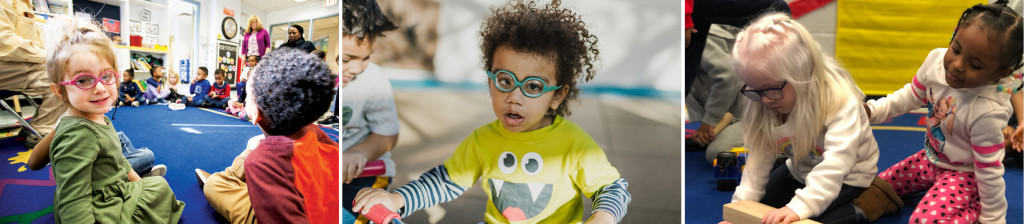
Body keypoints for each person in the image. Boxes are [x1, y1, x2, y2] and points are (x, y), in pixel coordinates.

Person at [352, 1, 631, 223]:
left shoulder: (575, 145)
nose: (514, 97)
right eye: (505, 81)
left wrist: (601, 218)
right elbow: (446, 181)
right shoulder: (482, 140)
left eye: (533, 86)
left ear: (557, 95)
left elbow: (612, 189)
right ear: (490, 82)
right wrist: (396, 200)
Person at [863, 2, 1022, 222]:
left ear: (1001, 71)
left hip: (966, 174)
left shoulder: (987, 111)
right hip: (931, 158)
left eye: (975, 65)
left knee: (923, 220)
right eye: (956, 49)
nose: (957, 65)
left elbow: (989, 169)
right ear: (954, 35)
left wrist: (993, 217)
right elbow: (911, 95)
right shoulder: (936, 61)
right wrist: (872, 111)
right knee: (879, 187)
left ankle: (973, 207)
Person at [720, 13, 880, 224]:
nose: (765, 100)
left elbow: (836, 165)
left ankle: (868, 204)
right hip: (800, 170)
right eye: (756, 90)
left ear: (802, 75)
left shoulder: (840, 102)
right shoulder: (763, 99)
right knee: (763, 211)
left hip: (849, 176)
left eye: (772, 90)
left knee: (813, 219)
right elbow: (757, 160)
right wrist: (740, 210)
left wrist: (800, 207)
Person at [42, 13, 183, 223]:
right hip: (100, 209)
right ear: (59, 91)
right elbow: (74, 203)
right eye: (83, 80)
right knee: (159, 188)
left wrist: (138, 185)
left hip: (108, 188)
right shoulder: (78, 136)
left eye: (106, 76)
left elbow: (120, 163)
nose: (100, 88)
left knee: (154, 186)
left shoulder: (95, 117)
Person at [243, 48, 339, 223]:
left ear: (256, 113)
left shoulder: (262, 162)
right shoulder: (316, 134)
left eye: (248, 95)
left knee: (216, 187)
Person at [338, 0, 399, 221]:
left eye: (365, 58)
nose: (356, 68)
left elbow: (388, 135)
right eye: (346, 59)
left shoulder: (373, 79)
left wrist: (359, 153)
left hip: (366, 176)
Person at [0, 0, 67, 148]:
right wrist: (49, 57)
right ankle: (42, 129)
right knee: (65, 76)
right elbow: (3, 41)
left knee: (66, 69)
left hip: (17, 64)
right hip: (6, 65)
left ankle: (38, 125)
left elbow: (33, 43)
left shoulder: (26, 3)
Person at [684, 24, 746, 164]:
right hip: (731, 113)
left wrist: (709, 121)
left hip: (750, 114)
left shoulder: (699, 37)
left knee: (718, 154)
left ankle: (779, 150)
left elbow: (727, 76)